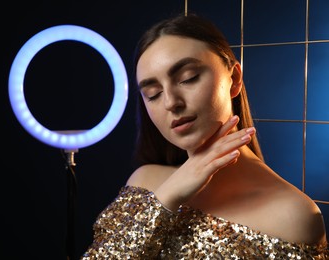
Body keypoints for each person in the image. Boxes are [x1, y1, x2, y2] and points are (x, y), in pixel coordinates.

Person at [81, 12, 329, 259]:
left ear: (234, 79)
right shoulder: (145, 183)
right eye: (153, 93)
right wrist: (169, 195)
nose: (170, 102)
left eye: (188, 78)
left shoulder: (293, 215)